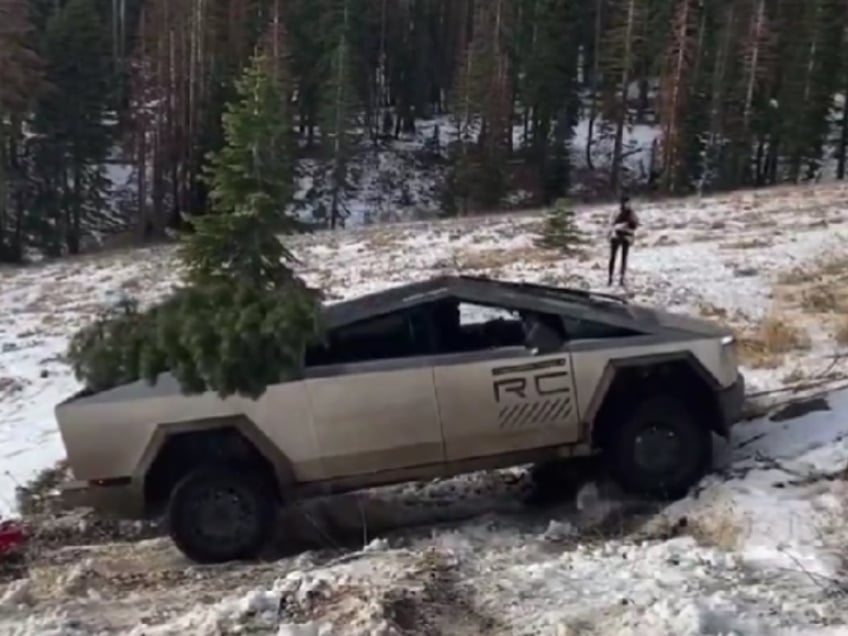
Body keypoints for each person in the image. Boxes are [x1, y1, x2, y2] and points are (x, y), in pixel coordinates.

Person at [608, 194, 639, 287]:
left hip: (626, 236)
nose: (628, 204)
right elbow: (611, 223)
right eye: (627, 202)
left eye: (629, 203)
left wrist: (630, 227)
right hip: (616, 235)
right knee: (613, 258)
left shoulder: (632, 213)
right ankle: (610, 278)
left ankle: (621, 278)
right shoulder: (616, 211)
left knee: (624, 258)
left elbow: (636, 224)